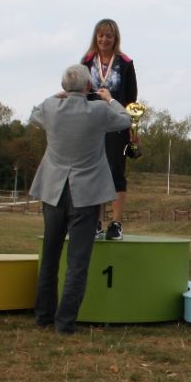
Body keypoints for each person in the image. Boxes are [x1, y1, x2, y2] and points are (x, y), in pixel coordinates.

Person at [29, 64, 131, 335]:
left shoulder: (51, 107)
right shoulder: (98, 111)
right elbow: (125, 120)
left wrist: (58, 95)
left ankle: (43, 316)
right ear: (89, 87)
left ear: (64, 87)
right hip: (85, 194)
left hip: (53, 190)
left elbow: (33, 113)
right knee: (77, 263)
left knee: (49, 257)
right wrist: (110, 99)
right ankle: (65, 323)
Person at [80, 18, 138, 241]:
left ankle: (116, 223)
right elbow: (80, 92)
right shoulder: (87, 61)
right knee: (94, 172)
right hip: (92, 124)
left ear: (115, 38)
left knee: (115, 171)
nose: (104, 39)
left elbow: (131, 98)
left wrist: (132, 127)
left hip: (116, 124)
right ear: (96, 37)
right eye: (101, 35)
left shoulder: (125, 63)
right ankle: (96, 222)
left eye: (109, 36)